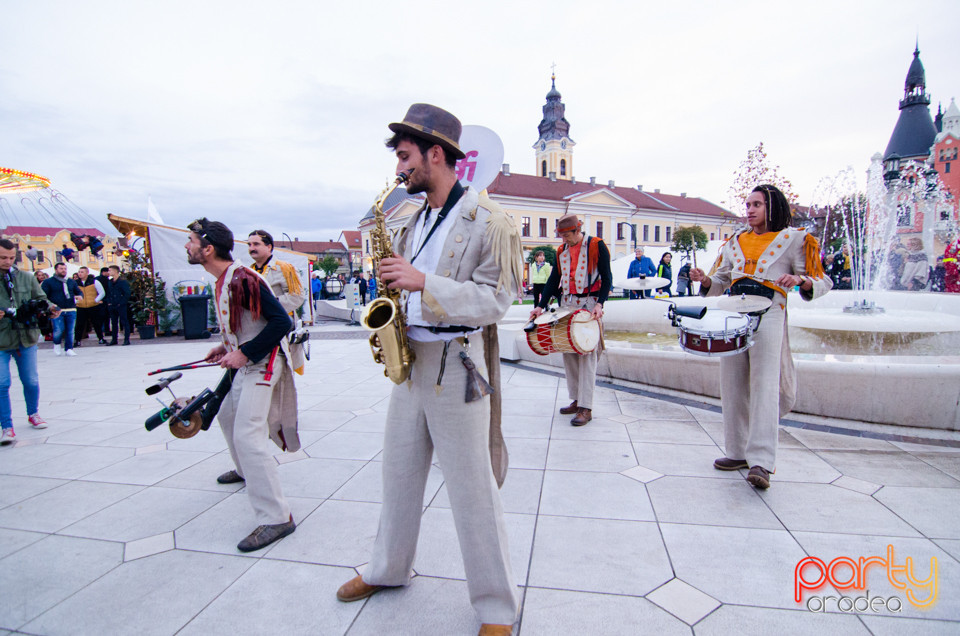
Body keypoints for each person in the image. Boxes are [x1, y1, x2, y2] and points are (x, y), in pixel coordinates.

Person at [336, 104, 522, 636]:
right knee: (397, 475)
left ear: (435, 154)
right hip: (410, 362)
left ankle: (496, 608)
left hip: (456, 366)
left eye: (405, 157)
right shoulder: (413, 221)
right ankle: (387, 569)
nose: (400, 170)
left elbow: (496, 300)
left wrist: (423, 284)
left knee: (473, 492)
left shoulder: (492, 222)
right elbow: (401, 282)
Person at [689, 184, 832, 490]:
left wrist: (800, 280)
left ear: (773, 207)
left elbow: (822, 280)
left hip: (770, 312)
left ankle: (762, 462)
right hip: (735, 311)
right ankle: (738, 452)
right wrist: (705, 280)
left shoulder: (796, 239)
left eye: (757, 204)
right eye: (748, 204)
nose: (750, 209)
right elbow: (722, 280)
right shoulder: (736, 241)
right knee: (732, 383)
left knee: (765, 386)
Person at [186, 218, 299, 552]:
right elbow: (251, 323)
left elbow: (281, 320)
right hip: (248, 360)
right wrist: (228, 346)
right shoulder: (224, 279)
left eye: (191, 241)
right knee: (225, 415)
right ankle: (246, 470)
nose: (187, 246)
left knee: (248, 434)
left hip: (263, 365)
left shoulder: (243, 279)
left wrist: (244, 352)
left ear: (208, 248)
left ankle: (277, 517)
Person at [529, 213, 611, 426]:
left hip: (589, 304)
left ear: (577, 230)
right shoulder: (561, 251)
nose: (564, 240)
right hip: (567, 304)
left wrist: (600, 304)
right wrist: (540, 305)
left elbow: (607, 276)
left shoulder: (596, 245)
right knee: (569, 352)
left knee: (587, 354)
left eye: (567, 235)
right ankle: (576, 400)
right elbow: (554, 278)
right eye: (562, 236)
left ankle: (587, 407)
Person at [0, 239, 59, 444]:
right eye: (2, 258)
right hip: (1, 339)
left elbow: (42, 298)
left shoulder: (26, 277)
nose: (7, 262)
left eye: (10, 257)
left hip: (26, 336)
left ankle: (33, 413)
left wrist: (51, 309)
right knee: (1, 383)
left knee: (31, 380)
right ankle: (6, 426)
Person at [41, 262, 81, 356]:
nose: (63, 270)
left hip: (71, 308)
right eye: (61, 269)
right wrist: (50, 305)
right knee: (58, 329)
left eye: (65, 269)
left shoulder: (71, 281)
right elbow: (43, 295)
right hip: (57, 309)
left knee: (70, 330)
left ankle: (69, 348)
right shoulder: (48, 282)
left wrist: (79, 296)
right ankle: (57, 344)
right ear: (56, 270)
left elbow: (78, 291)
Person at [73, 266, 106, 346]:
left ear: (87, 273)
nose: (80, 274)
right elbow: (72, 294)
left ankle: (101, 338)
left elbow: (102, 292)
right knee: (79, 324)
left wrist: (96, 300)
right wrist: (76, 301)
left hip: (93, 305)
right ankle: (77, 340)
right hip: (80, 306)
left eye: (82, 272)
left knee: (96, 323)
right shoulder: (75, 283)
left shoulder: (94, 282)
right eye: (79, 272)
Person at [105, 266, 131, 346]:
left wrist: (121, 303)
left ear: (115, 271)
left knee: (124, 321)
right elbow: (108, 293)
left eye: (110, 270)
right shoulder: (110, 282)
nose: (108, 272)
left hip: (121, 305)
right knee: (113, 322)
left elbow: (127, 293)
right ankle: (114, 339)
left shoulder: (122, 282)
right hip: (112, 305)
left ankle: (126, 339)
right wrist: (109, 302)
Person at [96, 267, 112, 339]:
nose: (109, 273)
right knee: (104, 317)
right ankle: (105, 330)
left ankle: (105, 330)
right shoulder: (102, 280)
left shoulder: (98, 279)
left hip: (102, 300)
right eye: (108, 271)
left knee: (104, 317)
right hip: (102, 300)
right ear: (103, 272)